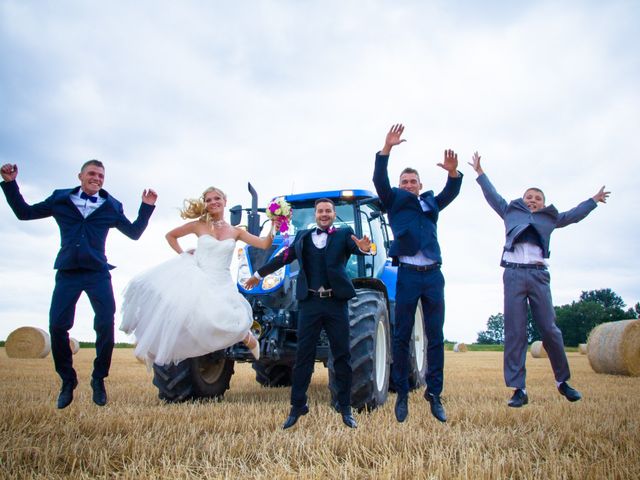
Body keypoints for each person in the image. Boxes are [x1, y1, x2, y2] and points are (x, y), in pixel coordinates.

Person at [0, 160, 157, 409]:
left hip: (97, 272)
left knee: (106, 324)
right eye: (92, 174)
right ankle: (67, 379)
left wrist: (146, 208)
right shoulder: (61, 200)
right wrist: (10, 184)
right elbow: (24, 213)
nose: (97, 178)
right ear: (80, 176)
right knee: (57, 326)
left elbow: (134, 232)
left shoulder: (111, 205)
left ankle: (98, 378)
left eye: (101, 175)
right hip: (68, 272)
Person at [468, 151, 610, 407]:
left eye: (537, 198)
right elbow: (493, 196)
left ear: (543, 203)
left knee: (550, 330)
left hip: (538, 275)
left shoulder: (549, 218)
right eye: (529, 197)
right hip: (512, 273)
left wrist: (593, 200)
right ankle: (518, 389)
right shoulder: (510, 211)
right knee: (515, 332)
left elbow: (573, 215)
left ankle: (562, 382)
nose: (533, 200)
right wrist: (480, 173)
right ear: (523, 201)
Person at [244, 198, 374, 430]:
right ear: (315, 215)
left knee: (342, 356)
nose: (324, 214)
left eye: (328, 211)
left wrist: (367, 248)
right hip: (310, 303)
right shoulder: (302, 236)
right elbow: (283, 258)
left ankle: (345, 408)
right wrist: (259, 274)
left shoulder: (345, 234)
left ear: (334, 214)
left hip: (336, 303)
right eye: (320, 211)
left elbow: (361, 248)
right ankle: (297, 407)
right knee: (303, 357)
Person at [120, 186, 277, 367]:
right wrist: (183, 255)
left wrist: (274, 225)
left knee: (230, 318)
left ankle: (247, 337)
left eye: (217, 198)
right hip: (200, 276)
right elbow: (170, 236)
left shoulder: (236, 231)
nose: (213, 202)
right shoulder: (198, 225)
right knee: (182, 315)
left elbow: (264, 244)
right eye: (208, 200)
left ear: (225, 201)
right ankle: (152, 346)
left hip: (222, 281)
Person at [373, 124, 462, 423]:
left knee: (436, 336)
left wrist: (453, 172)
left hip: (434, 275)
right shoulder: (394, 201)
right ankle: (401, 396)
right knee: (401, 335)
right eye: (405, 181)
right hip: (408, 275)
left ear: (420, 185)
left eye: (413, 181)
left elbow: (452, 191)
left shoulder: (431, 203)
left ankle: (434, 395)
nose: (409, 184)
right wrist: (386, 149)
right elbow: (379, 179)